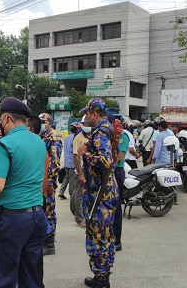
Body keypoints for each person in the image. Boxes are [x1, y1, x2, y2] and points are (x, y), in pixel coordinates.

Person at [0, 97, 47, 288]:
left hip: (13, 219)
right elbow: (43, 182)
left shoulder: (4, 144)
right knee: (30, 276)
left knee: (4, 278)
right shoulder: (39, 142)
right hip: (38, 217)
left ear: (6, 118)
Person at [77, 98, 118, 288]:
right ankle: (103, 275)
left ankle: (101, 279)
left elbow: (106, 161)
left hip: (100, 194)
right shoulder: (106, 130)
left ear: (94, 113)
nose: (86, 116)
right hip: (105, 191)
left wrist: (84, 153)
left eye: (87, 113)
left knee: (98, 235)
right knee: (105, 235)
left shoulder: (100, 132)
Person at [38, 113, 62, 256]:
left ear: (49, 123)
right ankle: (42, 238)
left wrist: (50, 180)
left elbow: (55, 161)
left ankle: (50, 242)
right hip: (38, 181)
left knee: (49, 211)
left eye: (43, 121)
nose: (41, 124)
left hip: (47, 182)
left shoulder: (53, 139)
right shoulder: (39, 137)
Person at [113, 122, 130, 252]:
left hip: (117, 172)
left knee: (116, 206)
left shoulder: (123, 137)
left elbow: (119, 158)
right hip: (108, 172)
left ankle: (117, 241)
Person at [72, 118, 91, 229]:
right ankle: (79, 219)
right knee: (79, 195)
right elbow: (76, 157)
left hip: (91, 169)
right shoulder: (78, 138)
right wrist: (80, 174)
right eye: (85, 123)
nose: (87, 125)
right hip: (82, 169)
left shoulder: (92, 135)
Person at [58, 122, 79, 200]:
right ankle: (72, 195)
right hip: (73, 163)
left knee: (66, 177)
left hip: (67, 161)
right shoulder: (76, 138)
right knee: (72, 180)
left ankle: (61, 192)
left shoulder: (67, 137)